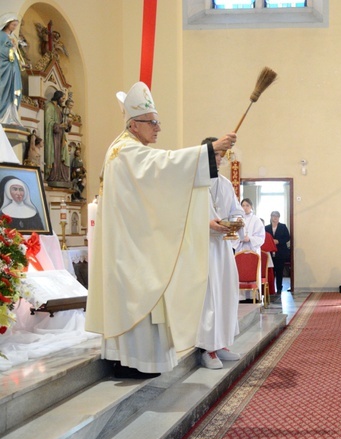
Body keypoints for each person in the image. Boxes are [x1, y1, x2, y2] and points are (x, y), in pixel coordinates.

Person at [86, 81, 237, 377]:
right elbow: (165, 165)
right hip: (133, 247)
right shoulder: (127, 151)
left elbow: (160, 178)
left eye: (158, 122)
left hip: (134, 241)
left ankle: (131, 359)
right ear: (134, 124)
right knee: (142, 296)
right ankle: (136, 362)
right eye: (153, 123)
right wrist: (211, 149)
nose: (158, 128)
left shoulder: (126, 150)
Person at [196, 137, 244, 370]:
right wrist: (207, 224)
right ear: (205, 155)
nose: (220, 160)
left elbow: (236, 211)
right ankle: (208, 348)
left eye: (221, 156)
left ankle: (222, 343)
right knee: (209, 297)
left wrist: (236, 222)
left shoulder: (224, 184)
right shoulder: (193, 183)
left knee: (226, 293)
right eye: (216, 155)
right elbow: (183, 215)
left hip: (224, 247)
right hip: (203, 247)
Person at [0, 13, 23, 126]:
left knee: (13, 90)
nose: (14, 27)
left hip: (13, 68)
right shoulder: (1, 35)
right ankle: (3, 116)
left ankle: (11, 116)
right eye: (13, 25)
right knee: (4, 89)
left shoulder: (13, 37)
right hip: (4, 68)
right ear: (7, 23)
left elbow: (15, 54)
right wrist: (10, 50)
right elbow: (1, 51)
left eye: (15, 25)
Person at [45, 90, 70, 181]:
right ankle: (53, 176)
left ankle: (60, 176)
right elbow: (48, 122)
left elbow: (63, 124)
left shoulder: (58, 108)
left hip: (60, 136)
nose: (63, 100)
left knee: (63, 155)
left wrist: (67, 125)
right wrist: (58, 126)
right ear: (58, 97)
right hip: (53, 138)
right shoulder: (49, 106)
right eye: (62, 98)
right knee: (55, 156)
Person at [266, 210, 290, 294]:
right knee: (271, 271)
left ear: (279, 218)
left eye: (276, 216)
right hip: (270, 252)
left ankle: (279, 287)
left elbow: (287, 237)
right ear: (271, 217)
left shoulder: (283, 227)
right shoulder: (267, 227)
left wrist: (278, 241)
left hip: (280, 252)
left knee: (279, 270)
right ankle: (270, 288)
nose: (275, 218)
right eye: (273, 216)